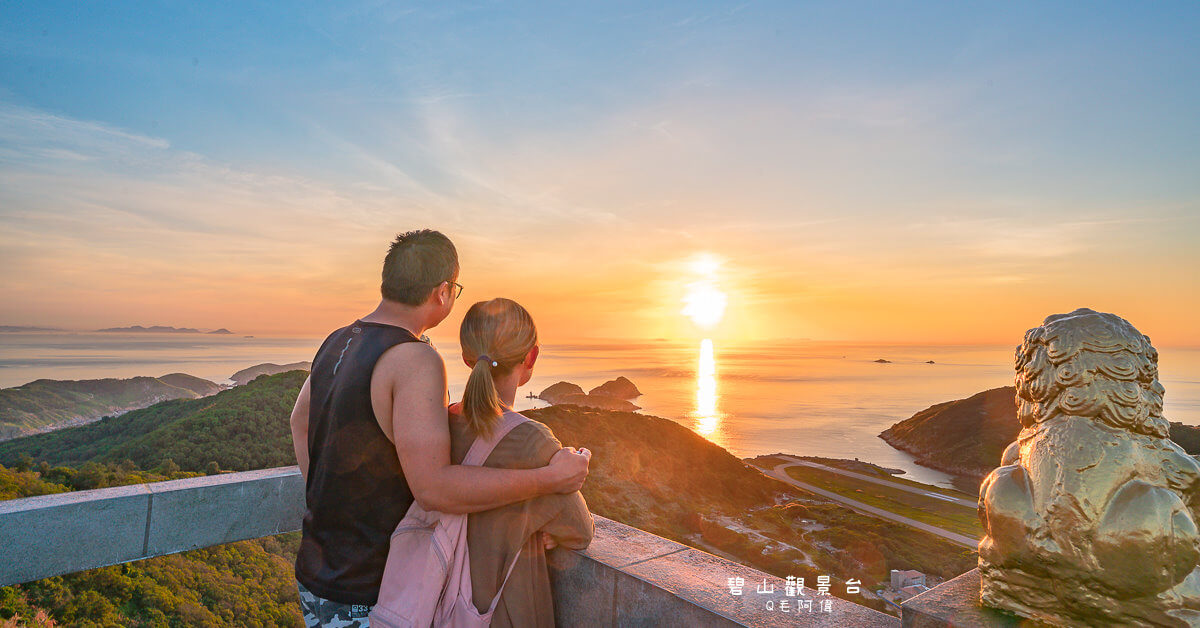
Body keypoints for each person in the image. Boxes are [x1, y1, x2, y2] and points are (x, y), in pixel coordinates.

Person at [288, 229, 591, 627]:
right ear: (444, 291)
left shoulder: (338, 339)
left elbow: (299, 422)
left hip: (317, 571)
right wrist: (550, 477)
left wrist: (336, 504)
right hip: (371, 588)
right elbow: (433, 488)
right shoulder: (414, 358)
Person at [448, 297, 594, 628]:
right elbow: (580, 531)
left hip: (441, 604)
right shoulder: (531, 439)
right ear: (531, 356)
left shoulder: (439, 424)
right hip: (505, 610)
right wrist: (549, 529)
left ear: (466, 357)